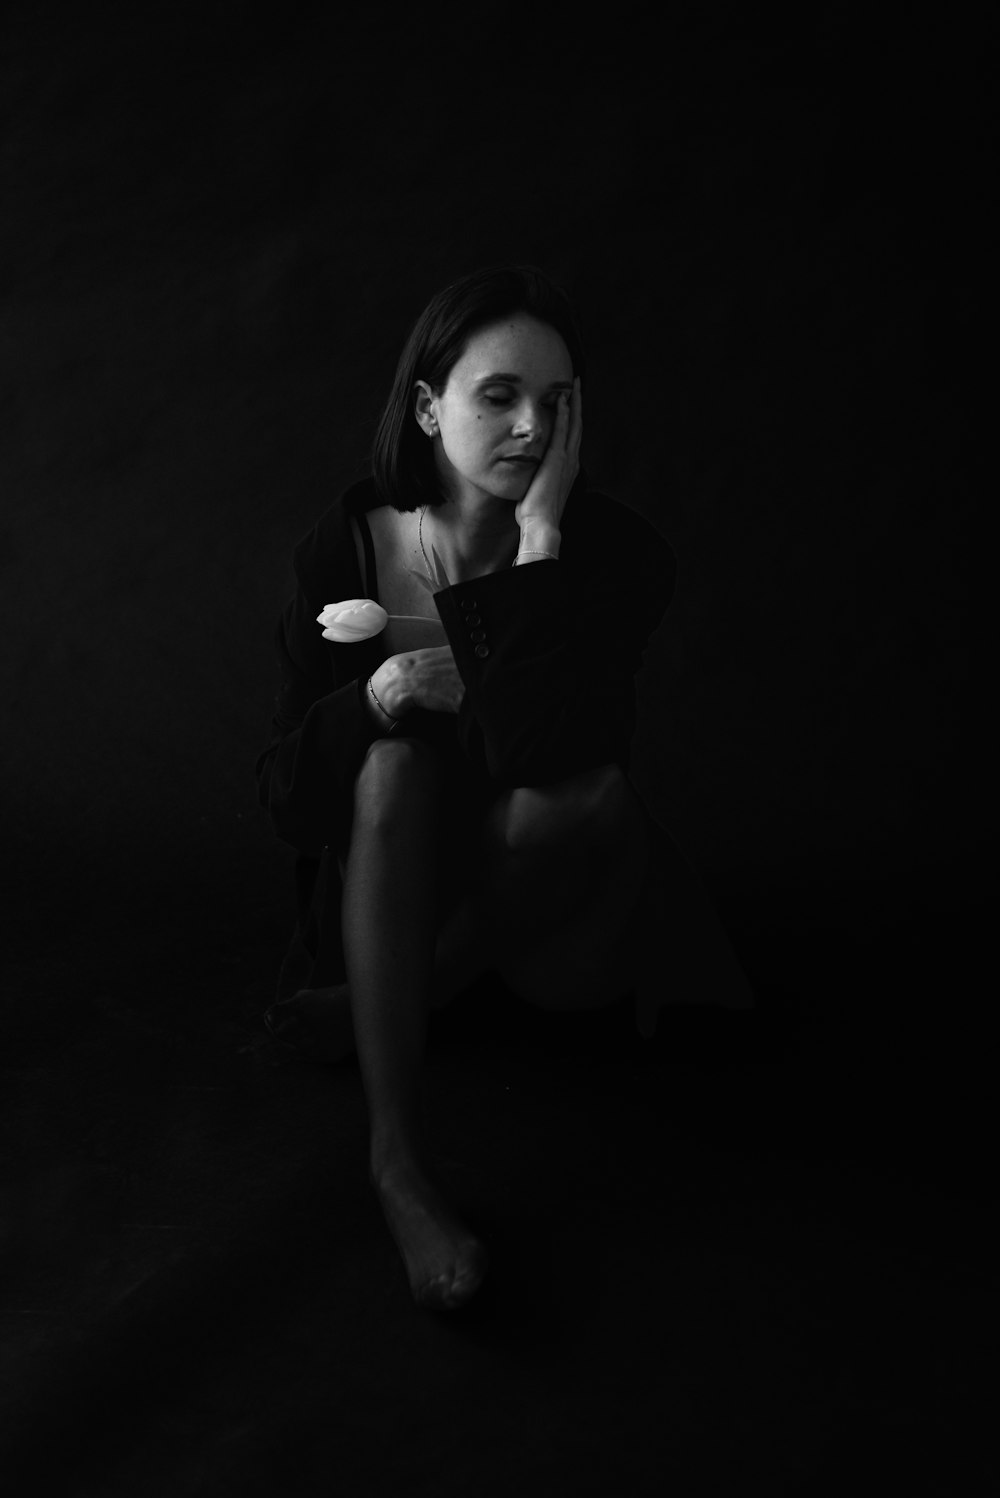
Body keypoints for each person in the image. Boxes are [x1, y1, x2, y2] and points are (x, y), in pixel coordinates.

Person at [255, 264, 753, 1311]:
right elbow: (290, 803)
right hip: (400, 889)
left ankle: (414, 987)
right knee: (388, 763)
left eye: (557, 402)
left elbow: (552, 761)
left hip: (550, 933)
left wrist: (537, 547)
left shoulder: (618, 559)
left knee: (584, 798)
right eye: (500, 395)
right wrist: (381, 692)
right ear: (430, 408)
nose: (532, 425)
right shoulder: (340, 555)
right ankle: (396, 1164)